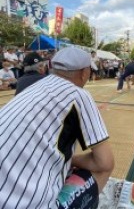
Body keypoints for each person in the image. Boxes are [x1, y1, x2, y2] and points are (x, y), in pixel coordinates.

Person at [0, 47, 114, 209]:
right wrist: (73, 161)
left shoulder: (35, 86)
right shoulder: (78, 94)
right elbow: (105, 163)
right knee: (100, 170)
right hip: (27, 204)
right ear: (84, 73)